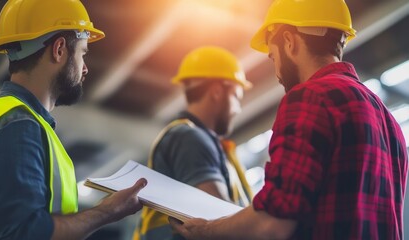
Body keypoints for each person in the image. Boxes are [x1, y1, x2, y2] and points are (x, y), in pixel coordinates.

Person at [169, 0, 408, 239]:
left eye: (273, 57)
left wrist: (207, 231)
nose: (277, 74)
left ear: (289, 42)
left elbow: (272, 223)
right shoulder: (388, 120)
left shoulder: (310, 97)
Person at [0, 0, 147, 239]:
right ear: (59, 49)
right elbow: (23, 232)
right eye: (82, 53)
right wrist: (107, 211)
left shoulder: (5, 118)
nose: (85, 68)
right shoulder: (18, 126)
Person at [133, 46, 253, 240]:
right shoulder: (189, 138)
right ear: (216, 91)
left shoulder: (200, 140)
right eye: (236, 97)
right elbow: (221, 219)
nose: (238, 109)